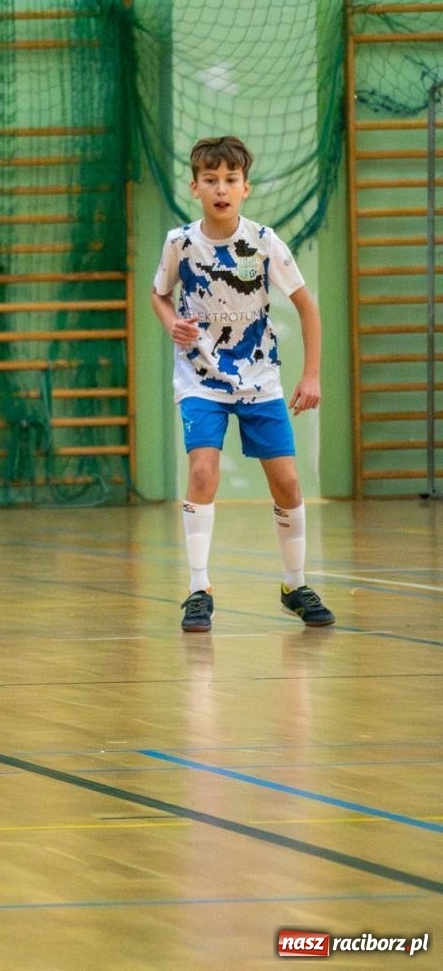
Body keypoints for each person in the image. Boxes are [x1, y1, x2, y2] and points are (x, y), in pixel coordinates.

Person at [150, 136, 334, 634]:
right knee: (202, 472)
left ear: (245, 188)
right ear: (195, 187)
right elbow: (158, 294)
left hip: (260, 379)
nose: (221, 189)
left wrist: (311, 374)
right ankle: (199, 589)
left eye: (230, 180)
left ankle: (295, 585)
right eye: (210, 180)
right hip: (200, 379)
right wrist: (171, 323)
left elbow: (307, 307)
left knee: (288, 482)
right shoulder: (180, 242)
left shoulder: (264, 242)